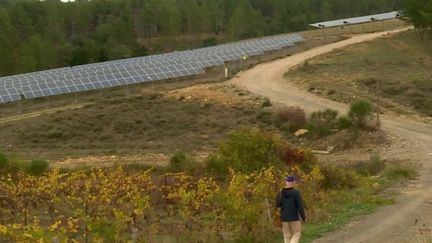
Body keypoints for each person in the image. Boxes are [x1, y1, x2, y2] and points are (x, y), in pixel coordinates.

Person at [276, 175, 306, 243]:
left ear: (286, 182)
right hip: (294, 218)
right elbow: (300, 207)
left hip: (284, 218)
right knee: (296, 234)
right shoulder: (296, 193)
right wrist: (303, 217)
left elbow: (277, 205)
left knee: (286, 236)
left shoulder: (281, 192)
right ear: (294, 182)